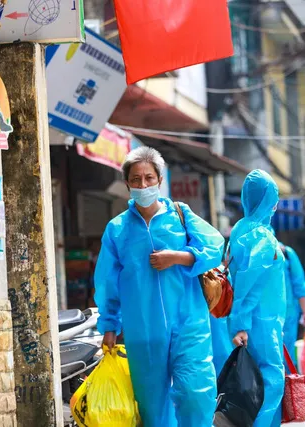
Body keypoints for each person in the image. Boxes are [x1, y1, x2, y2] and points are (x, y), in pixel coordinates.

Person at [95, 147, 224, 427]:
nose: (143, 185)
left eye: (149, 178)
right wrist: (109, 324)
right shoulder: (117, 229)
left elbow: (214, 245)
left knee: (195, 393)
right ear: (127, 183)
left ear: (160, 180)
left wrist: (178, 257)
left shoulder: (181, 215)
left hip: (189, 321)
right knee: (152, 406)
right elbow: (107, 281)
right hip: (143, 328)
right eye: (136, 179)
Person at [229, 169, 286, 427]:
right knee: (271, 382)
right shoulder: (260, 237)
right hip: (261, 322)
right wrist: (240, 323)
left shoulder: (241, 229)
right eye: (273, 197)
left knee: (257, 385)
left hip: (257, 320)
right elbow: (248, 284)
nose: (275, 204)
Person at [278, 241, 305, 366]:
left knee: (286, 352)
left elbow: (299, 285)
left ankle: (288, 384)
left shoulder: (286, 252)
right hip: (262, 313)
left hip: (288, 312)